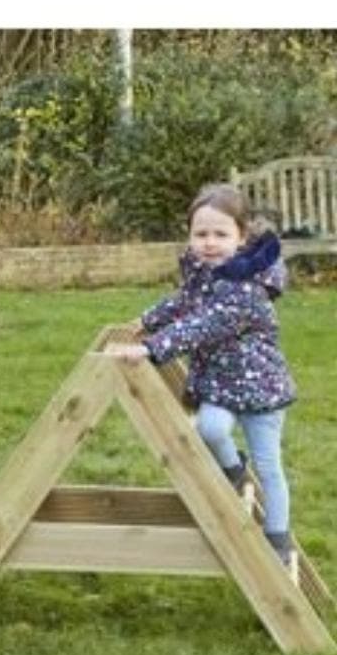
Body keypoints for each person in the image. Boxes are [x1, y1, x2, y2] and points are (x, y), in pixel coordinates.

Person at [119, 183, 297, 570]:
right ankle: (233, 469)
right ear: (189, 235)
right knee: (210, 430)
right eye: (201, 234)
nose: (210, 243)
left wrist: (153, 348)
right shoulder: (203, 272)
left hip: (262, 390)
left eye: (221, 234)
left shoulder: (247, 286)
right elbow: (185, 301)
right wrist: (148, 321)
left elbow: (205, 324)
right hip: (221, 383)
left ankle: (278, 540)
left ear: (241, 238)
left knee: (269, 468)